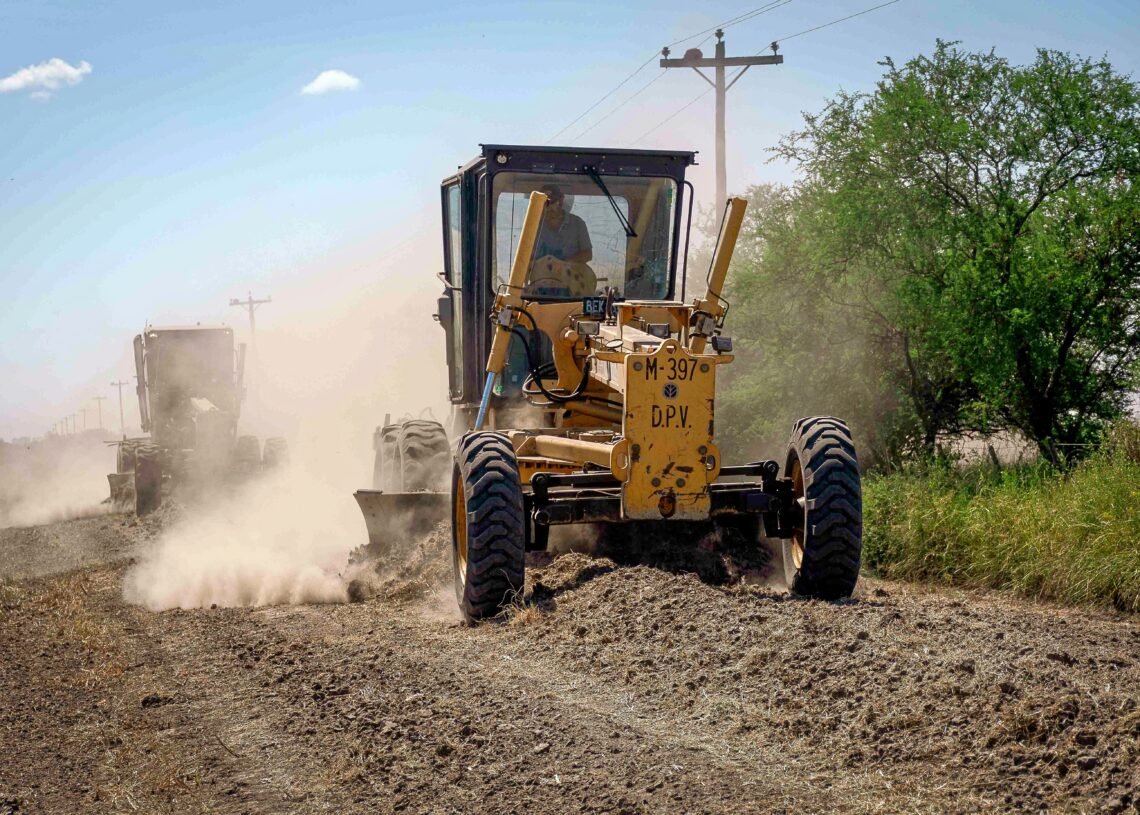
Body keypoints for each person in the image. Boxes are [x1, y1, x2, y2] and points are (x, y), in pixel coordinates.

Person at [535, 184, 592, 263]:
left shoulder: (577, 224)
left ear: (561, 200)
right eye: (543, 203)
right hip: (541, 274)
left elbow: (587, 254)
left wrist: (563, 265)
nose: (548, 207)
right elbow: (525, 258)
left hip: (569, 273)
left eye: (551, 201)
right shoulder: (533, 226)